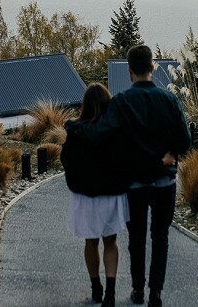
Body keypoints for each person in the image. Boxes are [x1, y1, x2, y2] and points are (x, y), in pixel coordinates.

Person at [66, 45, 192, 307]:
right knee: (160, 236)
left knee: (137, 237)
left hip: (136, 183)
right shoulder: (169, 100)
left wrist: (71, 126)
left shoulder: (122, 102)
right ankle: (155, 292)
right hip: (164, 181)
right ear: (152, 67)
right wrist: (166, 157)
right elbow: (184, 139)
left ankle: (138, 290)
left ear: (129, 70)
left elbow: (98, 132)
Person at [61, 83, 131, 306]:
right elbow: (124, 160)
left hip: (85, 195)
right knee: (111, 242)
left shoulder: (75, 131)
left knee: (90, 242)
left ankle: (96, 288)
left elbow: (65, 159)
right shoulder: (115, 130)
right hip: (111, 193)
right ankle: (110, 292)